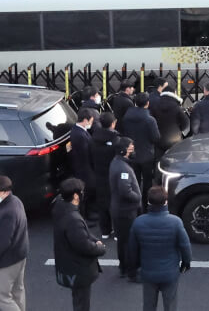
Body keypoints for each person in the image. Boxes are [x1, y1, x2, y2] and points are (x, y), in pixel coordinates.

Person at [128, 186, 193, 311]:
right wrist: (186, 263)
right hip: (170, 273)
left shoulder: (138, 222)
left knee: (148, 305)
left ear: (148, 202)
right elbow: (185, 246)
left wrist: (135, 268)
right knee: (170, 305)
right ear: (166, 202)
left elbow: (132, 250)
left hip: (148, 273)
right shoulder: (176, 222)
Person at [52, 178, 106, 311]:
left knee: (77, 299)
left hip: (68, 265)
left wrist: (92, 238)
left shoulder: (60, 208)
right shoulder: (73, 219)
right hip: (78, 270)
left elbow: (82, 232)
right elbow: (83, 245)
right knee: (81, 304)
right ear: (76, 196)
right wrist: (100, 248)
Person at [0, 175, 28, 311]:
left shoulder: (7, 213)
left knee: (3, 297)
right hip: (20, 255)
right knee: (18, 291)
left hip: (7, 261)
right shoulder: (16, 201)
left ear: (6, 192)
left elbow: (3, 242)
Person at [122, 92, 163, 208]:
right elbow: (156, 138)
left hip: (131, 153)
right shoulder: (150, 120)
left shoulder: (127, 117)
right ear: (148, 103)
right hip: (146, 155)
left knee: (134, 180)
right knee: (147, 181)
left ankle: (135, 202)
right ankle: (146, 203)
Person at [110, 137, 142, 282]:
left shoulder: (116, 162)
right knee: (130, 242)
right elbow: (125, 191)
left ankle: (123, 267)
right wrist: (137, 198)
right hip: (126, 211)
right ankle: (132, 272)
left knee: (122, 241)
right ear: (123, 151)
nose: (133, 150)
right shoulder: (124, 168)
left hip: (118, 209)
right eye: (130, 148)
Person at [91, 112, 119, 239]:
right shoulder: (116, 140)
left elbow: (90, 158)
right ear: (113, 123)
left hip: (99, 175)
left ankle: (105, 231)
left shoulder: (93, 139)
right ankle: (118, 231)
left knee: (102, 203)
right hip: (113, 175)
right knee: (116, 203)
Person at [69, 108, 98, 221]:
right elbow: (85, 154)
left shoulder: (79, 130)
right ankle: (84, 216)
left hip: (83, 168)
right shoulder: (79, 135)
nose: (91, 123)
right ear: (85, 120)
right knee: (84, 194)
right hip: (84, 169)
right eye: (91, 121)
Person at [150, 86, 189, 156]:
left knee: (159, 160)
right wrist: (179, 129)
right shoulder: (177, 107)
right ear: (173, 93)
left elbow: (150, 121)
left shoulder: (155, 105)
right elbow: (186, 123)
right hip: (175, 139)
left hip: (159, 140)